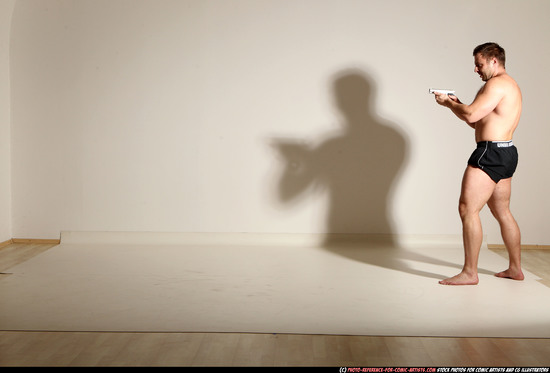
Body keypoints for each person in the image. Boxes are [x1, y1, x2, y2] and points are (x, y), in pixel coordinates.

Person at [434, 42, 524, 285]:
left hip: (490, 153)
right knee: (502, 211)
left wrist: (449, 103)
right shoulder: (509, 85)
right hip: (506, 152)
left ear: (494, 60)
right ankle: (515, 268)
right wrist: (457, 103)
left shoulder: (495, 84)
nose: (476, 69)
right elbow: (476, 122)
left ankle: (469, 273)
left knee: (467, 209)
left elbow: (471, 115)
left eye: (479, 63)